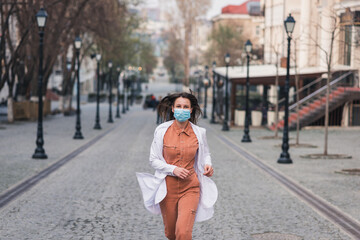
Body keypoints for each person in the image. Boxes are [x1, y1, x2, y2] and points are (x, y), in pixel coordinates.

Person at [136, 92, 218, 240]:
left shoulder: (199, 132)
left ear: (191, 109)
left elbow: (206, 153)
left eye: (185, 107)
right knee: (171, 234)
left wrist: (208, 165)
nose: (182, 109)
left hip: (191, 187)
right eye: (178, 106)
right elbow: (153, 159)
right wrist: (173, 169)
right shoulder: (161, 131)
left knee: (183, 233)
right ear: (173, 109)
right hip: (167, 189)